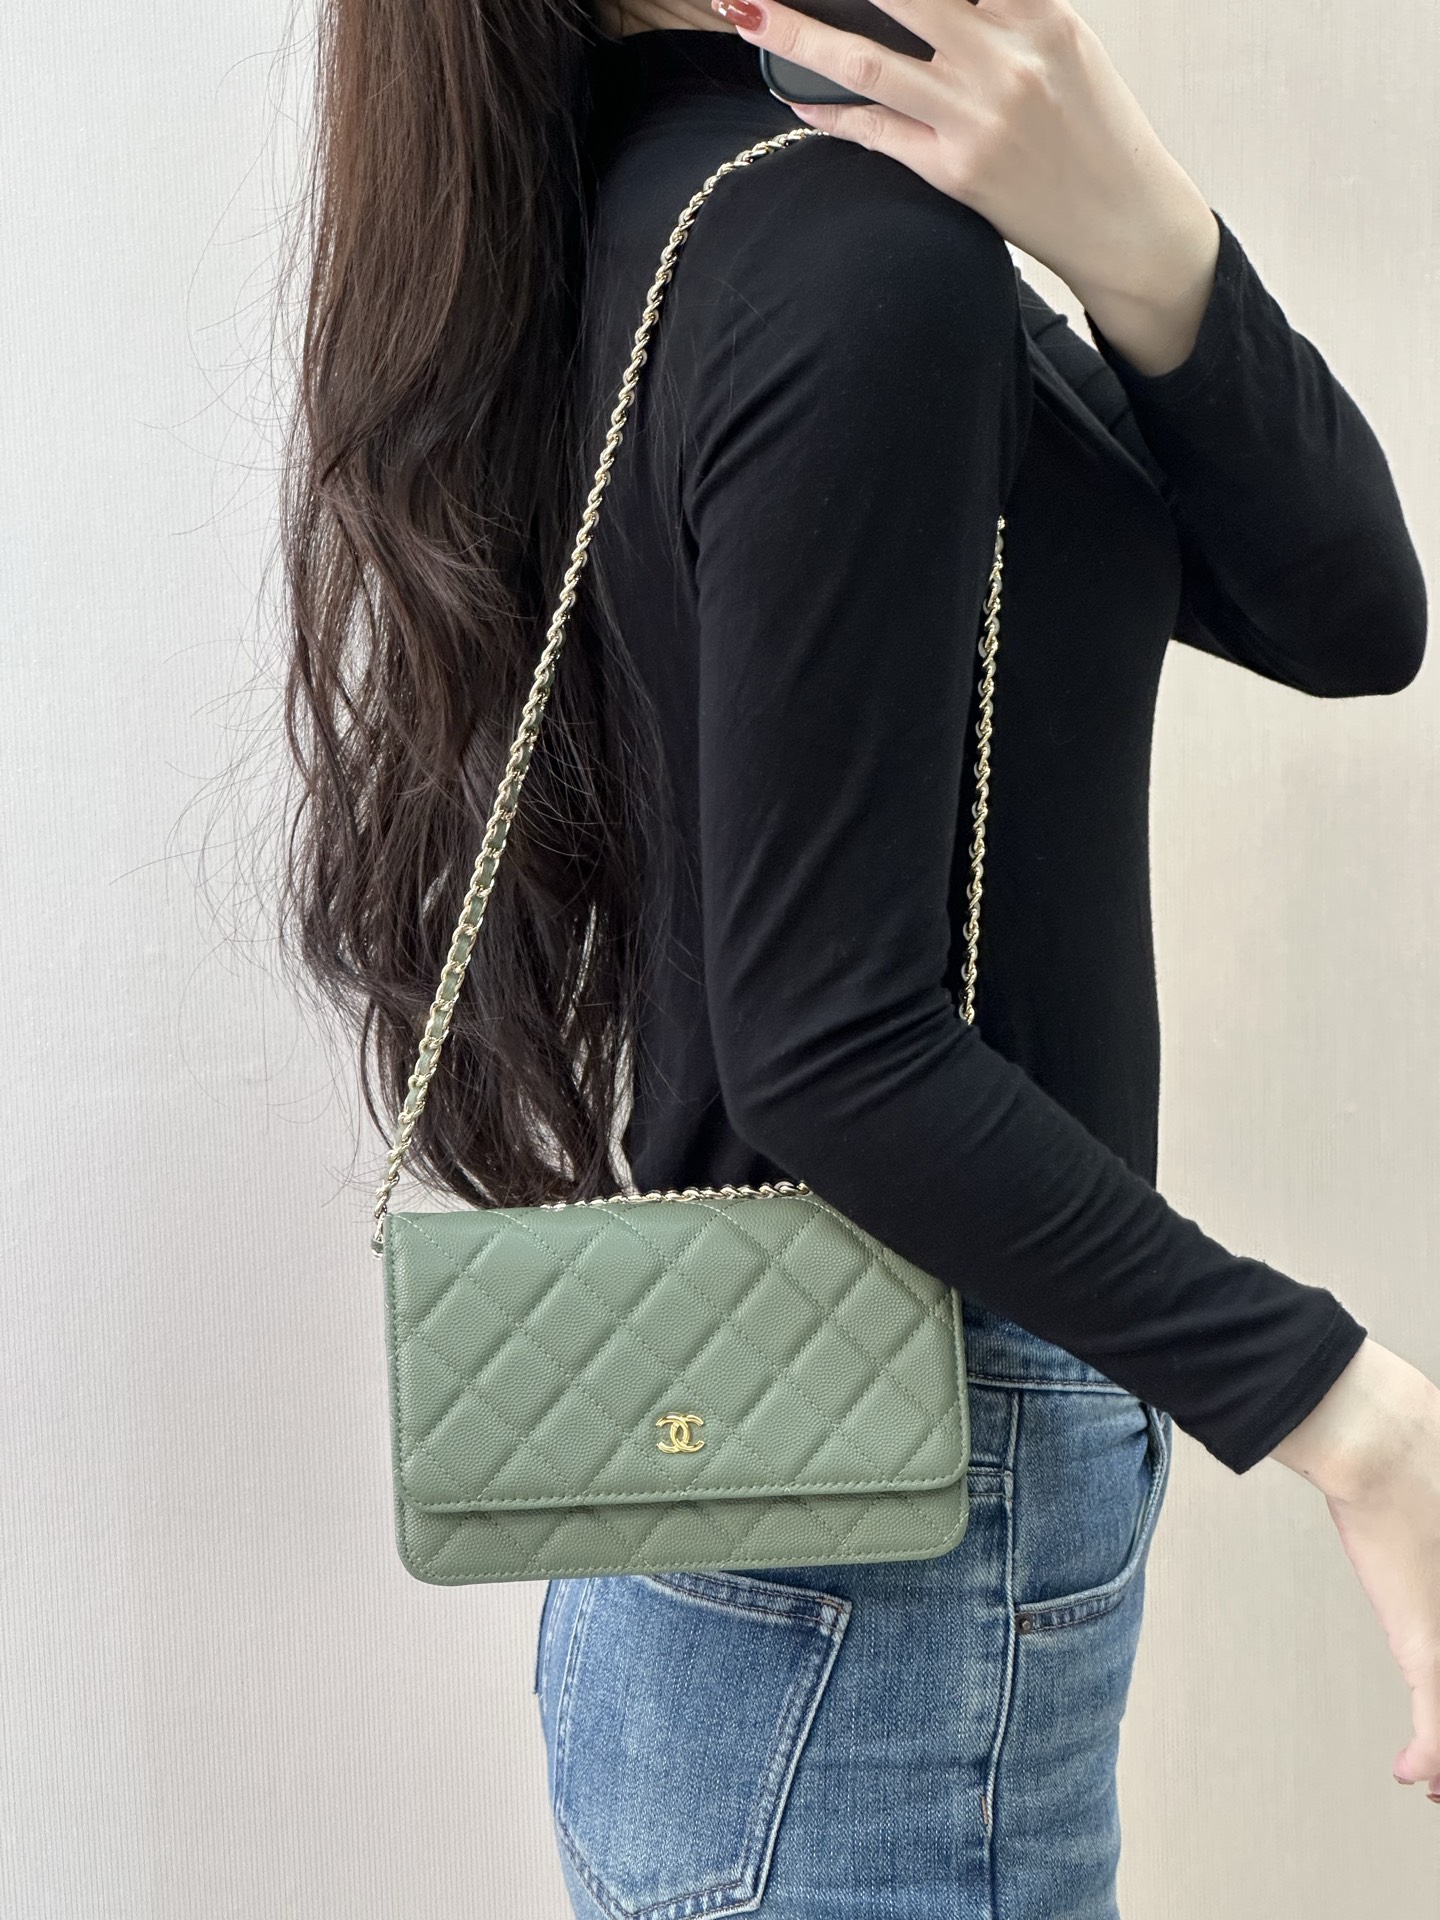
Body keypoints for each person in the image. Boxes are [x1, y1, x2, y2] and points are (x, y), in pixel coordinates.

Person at [276, 0, 1440, 1910]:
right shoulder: (837, 249)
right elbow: (827, 1045)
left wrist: (1139, 232)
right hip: (888, 1525)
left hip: (777, 1554)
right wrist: (1358, 1419)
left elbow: (1349, 613)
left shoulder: (675, 208)